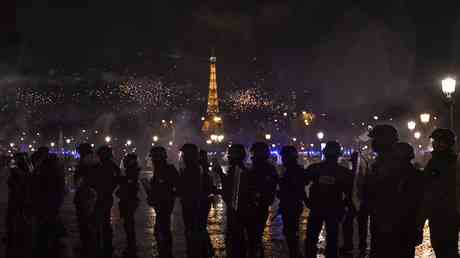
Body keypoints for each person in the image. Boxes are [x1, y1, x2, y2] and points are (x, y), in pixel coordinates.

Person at [304, 141, 354, 258]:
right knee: (332, 239)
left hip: (317, 207)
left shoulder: (315, 168)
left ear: (324, 153)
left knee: (311, 239)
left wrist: (307, 200)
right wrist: (345, 205)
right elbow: (350, 193)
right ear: (338, 155)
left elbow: (301, 183)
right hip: (333, 208)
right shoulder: (343, 172)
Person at [419, 128, 459, 258]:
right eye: (435, 141)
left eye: (439, 141)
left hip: (448, 211)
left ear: (447, 143)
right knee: (438, 245)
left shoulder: (452, 161)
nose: (436, 144)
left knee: (447, 247)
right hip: (436, 211)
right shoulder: (434, 160)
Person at [366, 124, 401, 258]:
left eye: (375, 139)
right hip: (379, 214)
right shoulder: (380, 161)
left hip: (389, 217)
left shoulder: (392, 162)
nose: (373, 143)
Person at [178, 143, 215, 258]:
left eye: (184, 154)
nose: (183, 156)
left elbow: (187, 189)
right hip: (196, 205)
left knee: (194, 233)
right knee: (199, 231)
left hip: (194, 206)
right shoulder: (197, 168)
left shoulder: (193, 169)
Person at [220, 144, 252, 258]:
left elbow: (233, 195)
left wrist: (220, 175)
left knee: (235, 241)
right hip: (239, 212)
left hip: (237, 213)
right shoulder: (238, 170)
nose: (228, 157)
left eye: (231, 154)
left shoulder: (238, 171)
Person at [147, 146, 179, 258]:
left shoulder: (167, 169)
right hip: (162, 203)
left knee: (162, 228)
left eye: (154, 158)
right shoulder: (160, 169)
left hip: (164, 203)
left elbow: (176, 186)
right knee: (161, 227)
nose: (152, 161)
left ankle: (165, 252)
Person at [90, 145, 121, 257]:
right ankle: (105, 244)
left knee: (101, 220)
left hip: (103, 195)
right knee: (103, 221)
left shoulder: (101, 166)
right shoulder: (110, 166)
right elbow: (117, 179)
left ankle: (102, 244)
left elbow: (117, 179)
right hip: (103, 195)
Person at [249, 142, 278, 258]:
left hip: (257, 205)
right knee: (256, 234)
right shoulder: (269, 168)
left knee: (254, 235)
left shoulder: (261, 168)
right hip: (261, 204)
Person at [35, 153, 66, 256]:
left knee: (44, 225)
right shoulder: (57, 173)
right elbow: (61, 189)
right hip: (53, 202)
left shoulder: (41, 172)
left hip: (44, 203)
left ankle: (45, 246)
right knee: (51, 222)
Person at [278, 146, 306, 258]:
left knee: (290, 231)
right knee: (291, 230)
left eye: (284, 156)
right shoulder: (294, 169)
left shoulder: (291, 170)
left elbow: (294, 188)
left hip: (291, 204)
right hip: (293, 204)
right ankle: (294, 252)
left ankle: (294, 253)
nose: (283, 158)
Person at [6, 153, 34, 258]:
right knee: (21, 216)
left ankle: (16, 236)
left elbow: (13, 182)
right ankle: (20, 235)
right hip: (22, 197)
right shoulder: (28, 168)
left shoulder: (18, 171)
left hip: (18, 197)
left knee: (15, 216)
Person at [73, 143, 98, 256]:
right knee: (88, 220)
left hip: (86, 193)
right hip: (88, 193)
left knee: (85, 219)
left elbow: (82, 179)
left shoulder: (86, 162)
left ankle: (88, 244)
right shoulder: (92, 161)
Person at [116, 153, 141, 258]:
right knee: (128, 223)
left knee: (128, 223)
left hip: (128, 200)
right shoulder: (131, 171)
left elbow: (129, 184)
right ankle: (131, 244)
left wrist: (121, 181)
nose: (125, 162)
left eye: (127, 160)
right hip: (128, 200)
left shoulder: (132, 171)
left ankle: (131, 245)